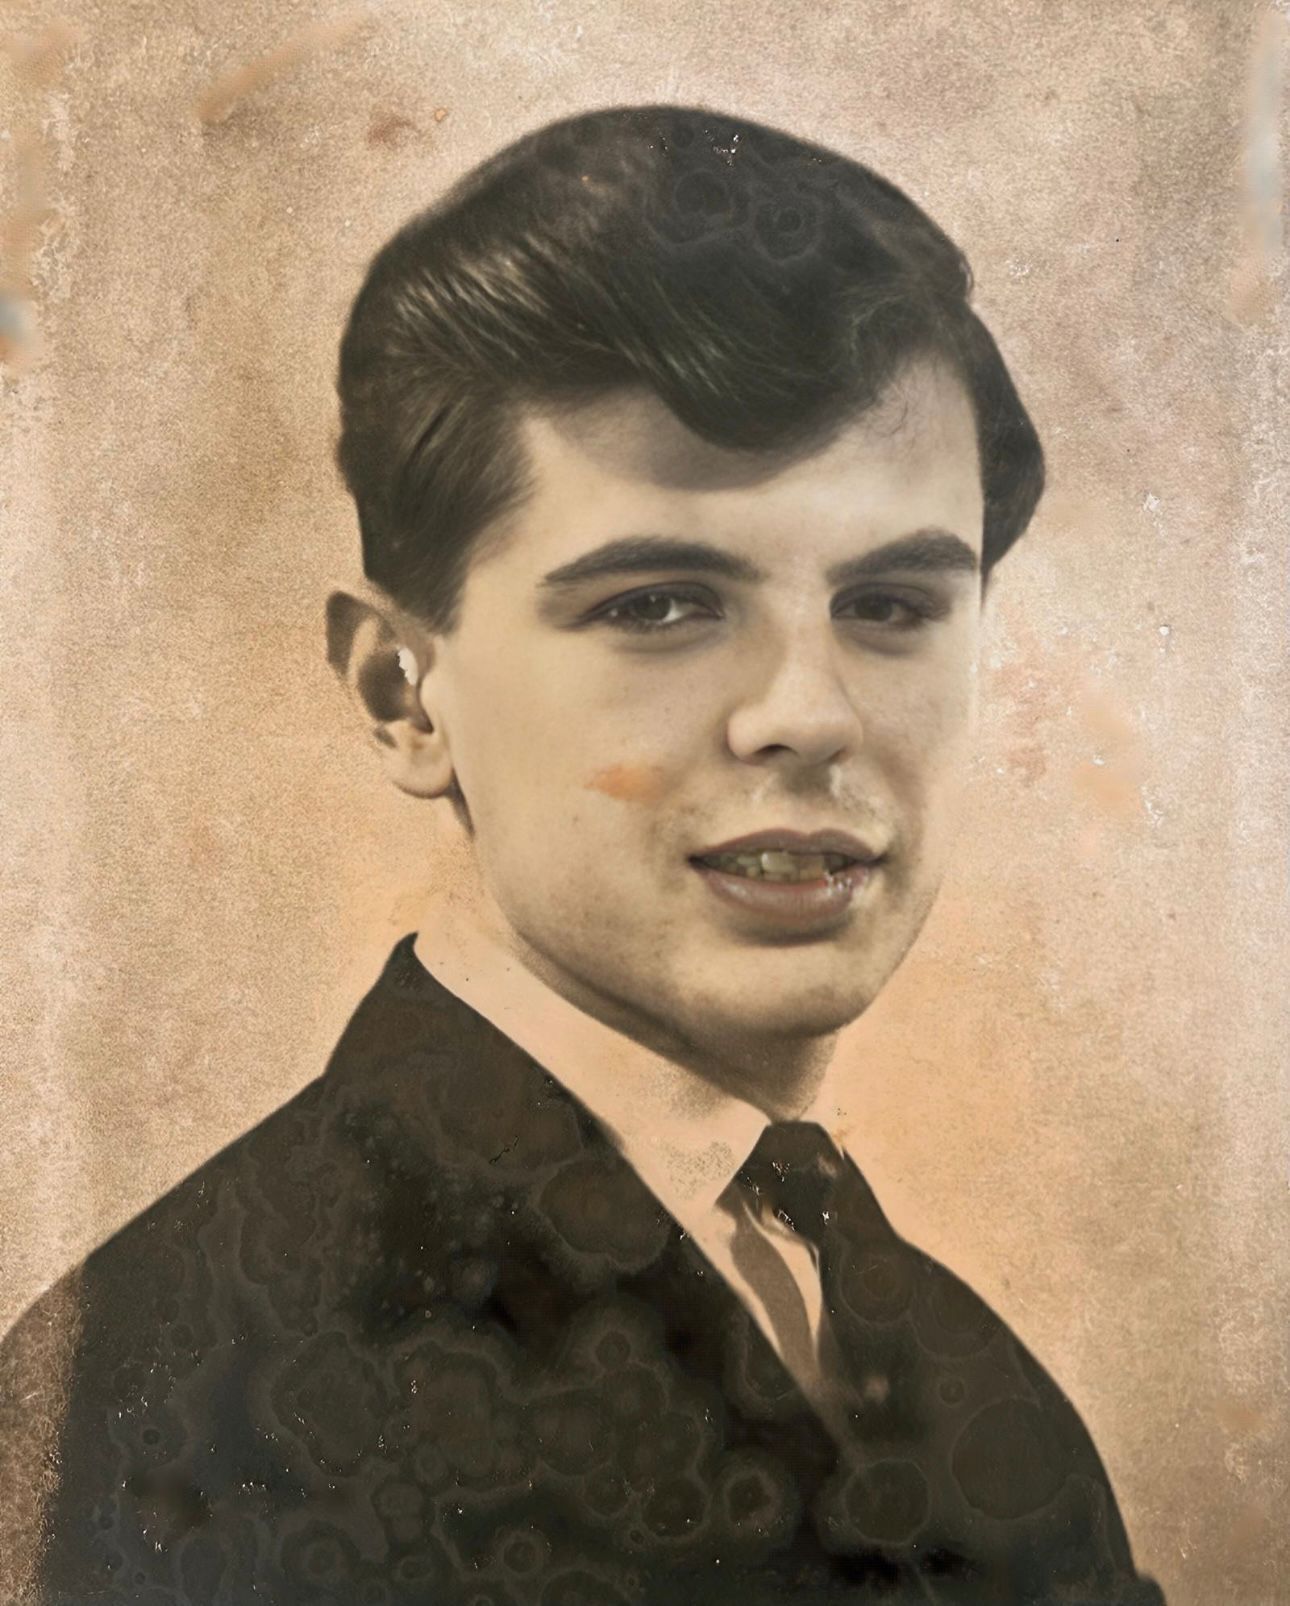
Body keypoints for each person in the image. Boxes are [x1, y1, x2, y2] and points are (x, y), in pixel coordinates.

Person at [0, 105, 1165, 1605]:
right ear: (399, 691)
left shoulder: (952, 1366)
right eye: (660, 604)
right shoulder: (178, 1391)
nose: (807, 713)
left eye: (891, 604)